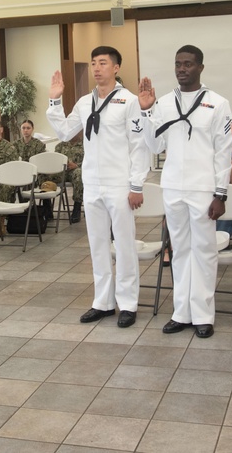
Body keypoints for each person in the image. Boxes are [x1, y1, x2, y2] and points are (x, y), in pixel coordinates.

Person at [48, 46, 149, 328]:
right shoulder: (83, 102)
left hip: (119, 183)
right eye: (93, 63)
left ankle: (127, 303)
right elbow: (65, 132)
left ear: (116, 68)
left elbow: (139, 146)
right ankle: (102, 302)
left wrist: (136, 184)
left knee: (125, 244)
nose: (96, 68)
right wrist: (55, 102)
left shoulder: (129, 101)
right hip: (92, 182)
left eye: (103, 63)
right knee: (97, 244)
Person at [139, 45, 232, 339]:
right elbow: (155, 145)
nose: (182, 69)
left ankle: (203, 315)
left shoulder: (217, 103)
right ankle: (182, 312)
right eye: (178, 64)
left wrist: (220, 194)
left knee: (204, 251)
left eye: (188, 64)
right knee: (179, 251)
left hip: (204, 188)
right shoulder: (164, 103)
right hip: (173, 187)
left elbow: (223, 151)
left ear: (200, 68)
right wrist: (146, 111)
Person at [55, 134, 84, 223]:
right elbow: (54, 160)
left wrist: (76, 165)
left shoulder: (85, 145)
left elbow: (90, 162)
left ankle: (77, 207)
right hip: (61, 171)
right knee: (44, 173)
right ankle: (46, 206)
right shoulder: (60, 146)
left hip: (75, 170)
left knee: (79, 174)